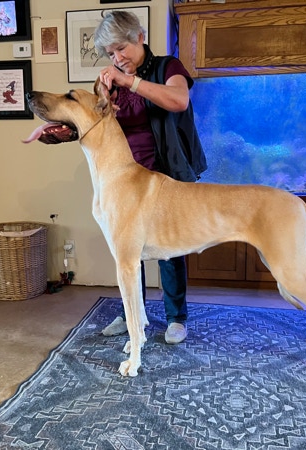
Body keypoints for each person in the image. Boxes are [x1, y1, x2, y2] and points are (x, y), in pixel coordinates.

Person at [94, 11, 207, 344]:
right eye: (111, 53)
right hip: (126, 178)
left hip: (166, 172)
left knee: (170, 248)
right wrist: (105, 106)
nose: (117, 58)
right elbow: (100, 127)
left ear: (140, 37)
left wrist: (129, 81)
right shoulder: (111, 80)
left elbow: (179, 100)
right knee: (127, 248)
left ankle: (176, 318)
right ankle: (133, 313)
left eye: (121, 48)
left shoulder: (168, 67)